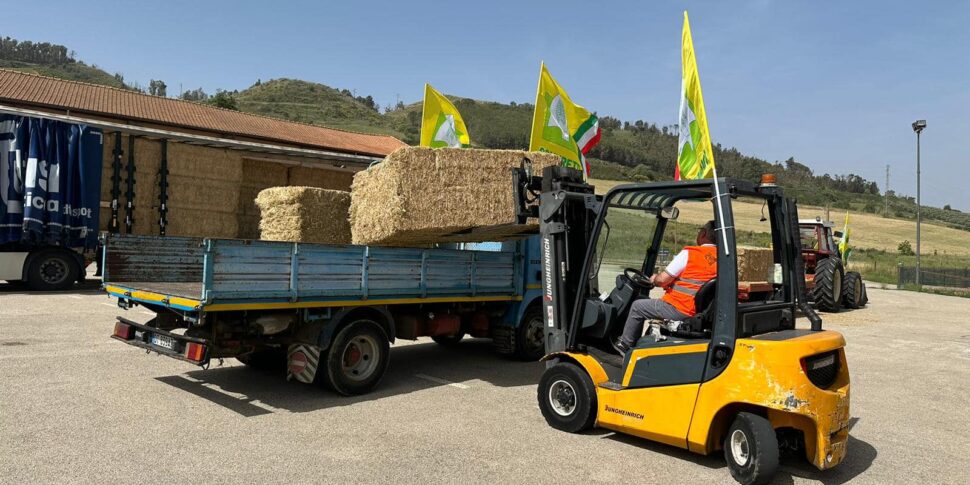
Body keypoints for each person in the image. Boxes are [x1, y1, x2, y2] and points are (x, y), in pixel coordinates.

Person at [614, 220, 718, 354]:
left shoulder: (690, 253)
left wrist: (654, 279)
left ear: (703, 233)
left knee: (637, 306)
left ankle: (625, 344)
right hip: (701, 311)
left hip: (680, 308)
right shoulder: (723, 258)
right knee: (642, 298)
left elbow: (662, 280)